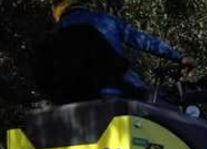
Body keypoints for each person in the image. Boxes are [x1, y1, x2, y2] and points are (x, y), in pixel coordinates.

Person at [36, 0, 193, 103]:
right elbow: (143, 41)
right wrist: (179, 57)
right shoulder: (106, 20)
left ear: (56, 11)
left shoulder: (55, 34)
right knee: (167, 107)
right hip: (120, 91)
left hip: (75, 101)